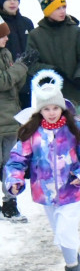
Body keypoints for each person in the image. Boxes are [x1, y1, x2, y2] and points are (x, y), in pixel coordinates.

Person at [4, 72, 80, 271]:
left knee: (66, 231)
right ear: (39, 111)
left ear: (61, 108)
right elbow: (17, 159)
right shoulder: (32, 133)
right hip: (45, 193)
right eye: (46, 109)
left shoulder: (75, 129)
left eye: (55, 108)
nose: (51, 113)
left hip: (72, 190)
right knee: (60, 234)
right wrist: (15, 180)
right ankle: (73, 259)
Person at [27, 0, 80, 111]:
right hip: (48, 98)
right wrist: (51, 70)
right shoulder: (35, 35)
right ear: (47, 10)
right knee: (52, 130)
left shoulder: (75, 31)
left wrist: (79, 76)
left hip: (74, 94)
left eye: (64, 7)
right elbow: (31, 64)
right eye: (57, 8)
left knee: (77, 129)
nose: (62, 11)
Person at [0, 21, 31, 222]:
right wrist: (21, 67)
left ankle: (10, 204)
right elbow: (3, 81)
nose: (7, 38)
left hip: (11, 120)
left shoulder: (6, 54)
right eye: (3, 35)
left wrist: (22, 68)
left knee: (11, 165)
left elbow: (14, 83)